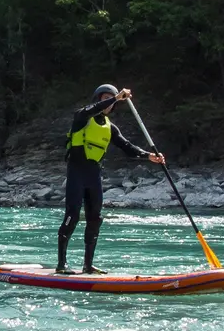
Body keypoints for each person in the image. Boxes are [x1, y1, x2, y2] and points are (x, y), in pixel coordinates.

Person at [57, 84, 165, 275]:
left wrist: (149, 156)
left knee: (95, 218)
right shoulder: (82, 116)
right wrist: (116, 97)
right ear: (98, 99)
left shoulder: (110, 128)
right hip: (76, 172)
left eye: (111, 100)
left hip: (93, 175)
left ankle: (88, 265)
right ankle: (61, 264)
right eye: (104, 98)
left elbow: (127, 146)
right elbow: (92, 110)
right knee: (72, 215)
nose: (108, 103)